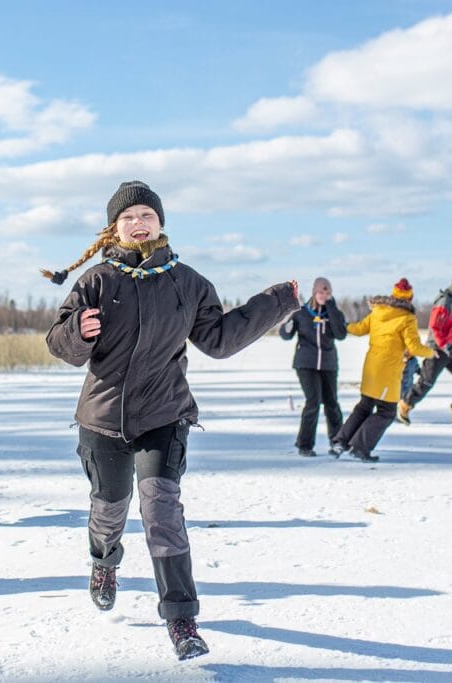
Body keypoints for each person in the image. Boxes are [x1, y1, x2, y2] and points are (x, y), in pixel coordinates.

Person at [43, 180, 298, 660]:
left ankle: (181, 619)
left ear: (160, 222)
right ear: (114, 227)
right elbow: (60, 342)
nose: (138, 224)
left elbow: (219, 339)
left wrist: (277, 301)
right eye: (128, 217)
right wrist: (77, 331)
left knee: (162, 513)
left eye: (147, 215)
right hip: (102, 419)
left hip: (164, 413)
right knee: (109, 507)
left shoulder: (188, 282)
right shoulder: (96, 280)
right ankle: (103, 561)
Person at [331, 279, 436, 462]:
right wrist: (431, 352)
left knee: (364, 406)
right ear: (409, 299)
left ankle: (340, 441)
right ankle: (359, 447)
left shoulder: (378, 311)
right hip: (387, 372)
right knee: (386, 411)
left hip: (371, 369)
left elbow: (359, 328)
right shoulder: (407, 318)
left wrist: (343, 326)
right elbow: (414, 347)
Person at [397, 275, 452, 427]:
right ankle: (405, 405)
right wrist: (444, 345)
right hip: (437, 348)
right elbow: (435, 327)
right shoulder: (444, 301)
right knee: (426, 382)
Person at [279, 277, 347, 456]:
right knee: (313, 402)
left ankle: (337, 441)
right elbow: (286, 335)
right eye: (321, 292)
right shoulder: (302, 313)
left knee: (332, 403)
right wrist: (287, 326)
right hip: (306, 364)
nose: (324, 295)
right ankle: (305, 444)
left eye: (327, 292)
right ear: (314, 292)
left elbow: (340, 334)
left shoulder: (334, 313)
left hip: (328, 364)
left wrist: (331, 309)